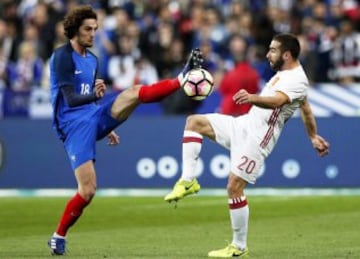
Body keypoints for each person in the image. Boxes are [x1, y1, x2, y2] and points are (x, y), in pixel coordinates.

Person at [47, 5, 202, 255]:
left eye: (95, 29)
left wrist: (105, 125)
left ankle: (182, 78)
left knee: (133, 92)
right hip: (72, 126)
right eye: (88, 29)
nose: (93, 34)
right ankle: (58, 235)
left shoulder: (93, 59)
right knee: (87, 191)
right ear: (74, 31)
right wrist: (95, 98)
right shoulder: (62, 57)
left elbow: (90, 99)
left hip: (92, 116)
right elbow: (72, 99)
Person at [164, 33, 330, 258]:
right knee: (194, 122)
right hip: (244, 125)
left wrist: (252, 98)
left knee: (234, 187)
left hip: (258, 139)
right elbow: (306, 108)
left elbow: (279, 101)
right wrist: (313, 136)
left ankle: (239, 247)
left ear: (287, 54)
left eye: (273, 50)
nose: (268, 54)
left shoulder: (297, 80)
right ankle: (188, 181)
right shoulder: (284, 74)